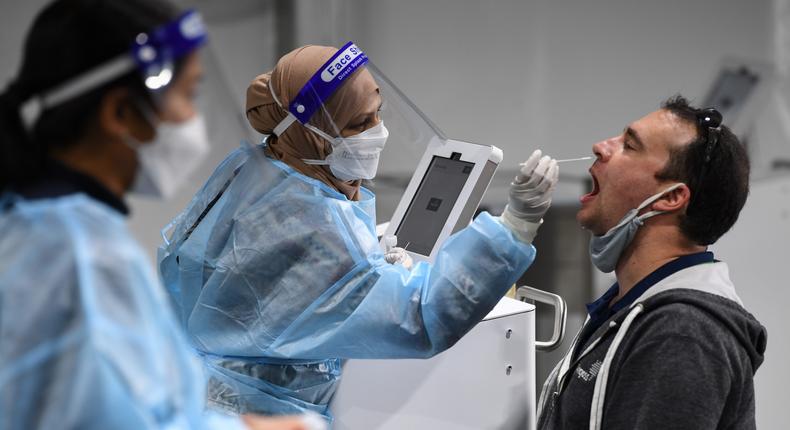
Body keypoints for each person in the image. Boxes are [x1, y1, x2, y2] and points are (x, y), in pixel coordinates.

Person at [157, 43, 560, 422]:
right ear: (311, 131)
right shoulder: (313, 220)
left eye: (378, 114)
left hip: (202, 392)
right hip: (260, 414)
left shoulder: (259, 166)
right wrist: (515, 226)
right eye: (359, 123)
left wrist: (363, 267)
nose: (377, 131)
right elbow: (421, 316)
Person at [0, 1, 319, 429]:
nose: (192, 120)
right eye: (187, 96)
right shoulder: (80, 254)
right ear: (120, 113)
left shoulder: (34, 220)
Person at [536, 96, 767, 430]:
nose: (601, 147)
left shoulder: (682, 333)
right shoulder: (629, 309)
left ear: (671, 198)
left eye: (629, 145)